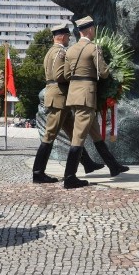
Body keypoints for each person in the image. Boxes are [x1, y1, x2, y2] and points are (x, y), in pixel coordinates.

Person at [32, 22, 104, 183]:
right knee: (49, 135)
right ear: (63, 36)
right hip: (59, 97)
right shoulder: (59, 52)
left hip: (58, 97)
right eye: (68, 37)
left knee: (74, 134)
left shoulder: (50, 52)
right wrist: (77, 75)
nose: (68, 40)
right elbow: (59, 76)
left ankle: (87, 163)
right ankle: (38, 172)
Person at [64, 16, 129, 189]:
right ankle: (69, 176)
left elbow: (65, 75)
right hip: (87, 95)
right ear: (90, 30)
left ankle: (113, 167)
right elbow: (104, 72)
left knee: (96, 135)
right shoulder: (93, 48)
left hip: (74, 95)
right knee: (79, 136)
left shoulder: (70, 50)